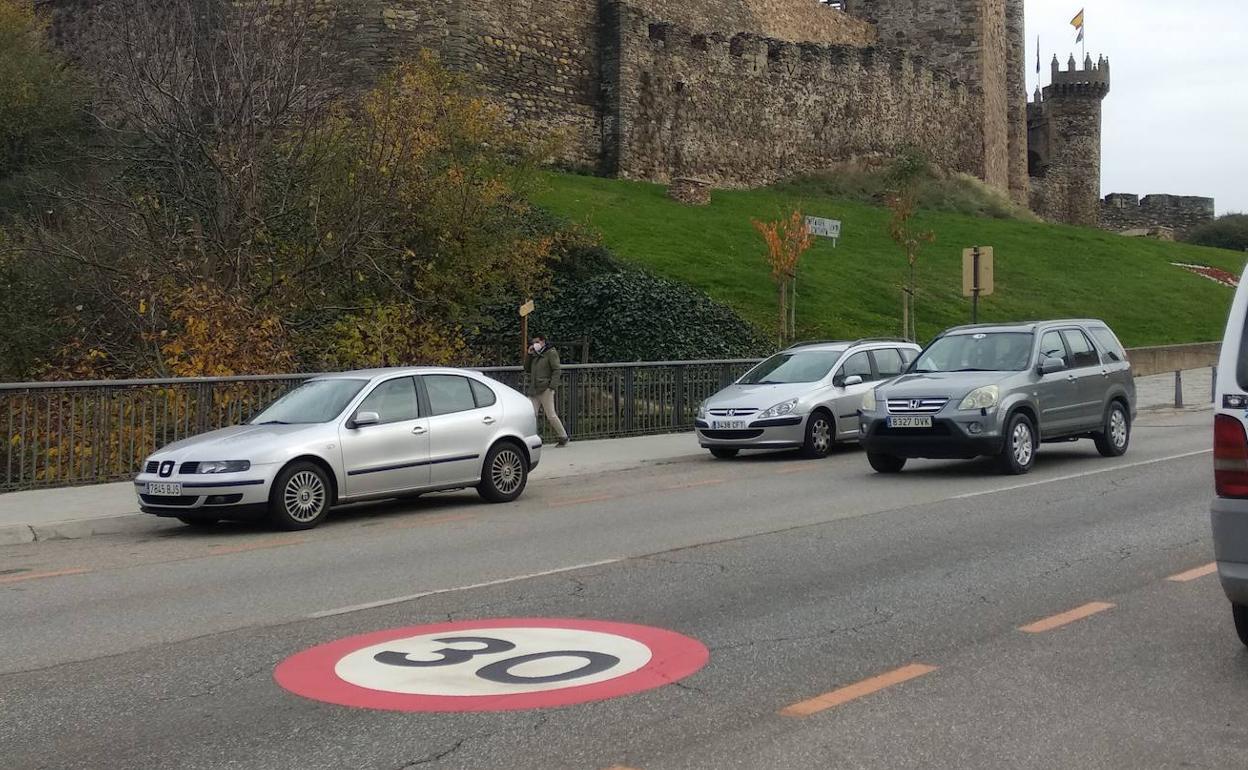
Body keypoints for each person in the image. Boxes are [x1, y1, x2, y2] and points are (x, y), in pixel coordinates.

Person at [523, 335, 569, 447]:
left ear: (543, 342)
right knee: (530, 414)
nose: (535, 344)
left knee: (551, 415)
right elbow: (527, 368)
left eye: (537, 342)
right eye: (533, 342)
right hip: (534, 389)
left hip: (545, 388)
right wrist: (529, 355)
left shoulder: (551, 353)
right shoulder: (535, 354)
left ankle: (563, 436)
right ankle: (530, 438)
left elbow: (556, 370)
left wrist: (552, 386)